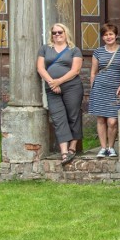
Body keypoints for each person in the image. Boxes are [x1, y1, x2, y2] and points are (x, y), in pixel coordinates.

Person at [37, 23, 84, 165]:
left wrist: (59, 82)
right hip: (52, 88)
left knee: (73, 115)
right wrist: (52, 83)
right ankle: (64, 151)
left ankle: (72, 148)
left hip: (72, 86)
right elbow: (40, 68)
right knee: (58, 117)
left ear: (65, 32)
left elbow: (75, 70)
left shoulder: (74, 50)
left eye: (60, 32)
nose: (57, 35)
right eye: (54, 33)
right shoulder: (45, 49)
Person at [88, 23, 120, 158]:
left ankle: (111, 147)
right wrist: (93, 88)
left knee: (112, 121)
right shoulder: (98, 52)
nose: (108, 37)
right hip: (100, 87)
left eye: (111, 34)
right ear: (102, 37)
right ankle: (103, 148)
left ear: (115, 35)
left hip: (115, 89)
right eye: (105, 34)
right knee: (101, 119)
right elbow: (93, 72)